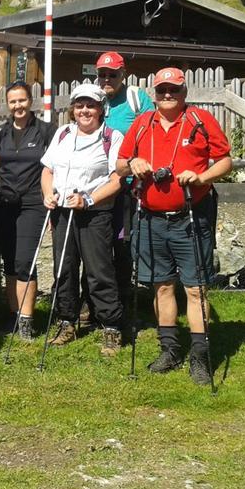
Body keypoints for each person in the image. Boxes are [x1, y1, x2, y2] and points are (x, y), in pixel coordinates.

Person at [116, 66, 232, 385]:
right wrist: (133, 164)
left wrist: (202, 177)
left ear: (184, 93)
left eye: (174, 90)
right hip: (151, 218)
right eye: (162, 90)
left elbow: (225, 160)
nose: (168, 95)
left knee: (196, 289)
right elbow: (120, 163)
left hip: (191, 217)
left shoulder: (199, 121)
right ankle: (169, 349)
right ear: (154, 93)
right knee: (162, 285)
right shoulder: (142, 124)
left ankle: (200, 356)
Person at [40, 83, 125, 356]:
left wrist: (88, 199)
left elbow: (116, 180)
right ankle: (67, 321)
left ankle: (110, 325)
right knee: (63, 269)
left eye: (91, 105)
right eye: (79, 105)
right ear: (72, 109)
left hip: (94, 213)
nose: (85, 110)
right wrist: (47, 195)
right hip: (63, 211)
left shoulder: (112, 137)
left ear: (101, 109)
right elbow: (47, 170)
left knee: (98, 271)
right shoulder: (63, 133)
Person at [0, 81, 56, 340]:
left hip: (32, 202)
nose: (18, 105)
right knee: (10, 262)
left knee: (26, 259)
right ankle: (14, 315)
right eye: (13, 101)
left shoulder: (46, 131)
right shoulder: (2, 132)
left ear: (31, 101)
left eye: (22, 100)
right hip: (4, 202)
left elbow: (53, 167)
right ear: (8, 104)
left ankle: (27, 320)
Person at [92, 50, 156, 321]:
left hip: (129, 185)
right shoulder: (95, 101)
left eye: (112, 74)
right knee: (99, 245)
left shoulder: (136, 99)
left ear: (123, 74)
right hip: (100, 184)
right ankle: (99, 301)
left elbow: (152, 132)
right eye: (102, 74)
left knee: (125, 243)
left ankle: (124, 299)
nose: (107, 78)